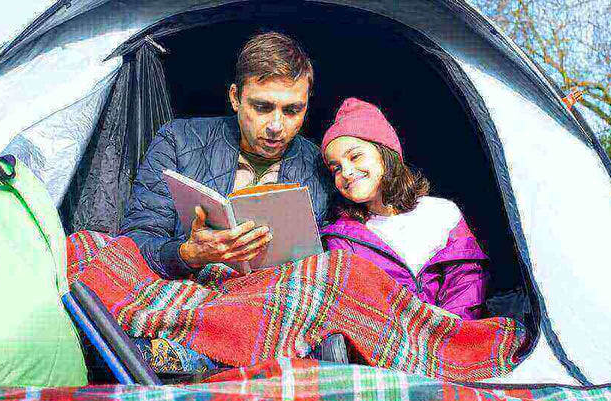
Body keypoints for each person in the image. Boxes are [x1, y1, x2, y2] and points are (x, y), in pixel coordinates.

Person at [120, 31, 332, 279]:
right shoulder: (178, 141)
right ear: (235, 98)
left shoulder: (322, 167)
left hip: (279, 299)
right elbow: (135, 239)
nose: (276, 126)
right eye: (262, 107)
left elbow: (336, 253)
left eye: (292, 111)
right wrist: (187, 254)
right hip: (188, 293)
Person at [320, 98, 489, 320]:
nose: (347, 172)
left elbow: (468, 279)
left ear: (386, 153)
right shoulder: (342, 237)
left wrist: (451, 327)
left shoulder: (443, 213)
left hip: (454, 334)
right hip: (388, 344)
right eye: (336, 169)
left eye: (355, 156)